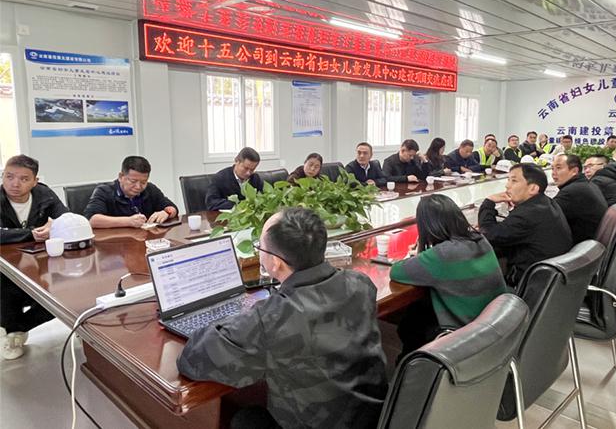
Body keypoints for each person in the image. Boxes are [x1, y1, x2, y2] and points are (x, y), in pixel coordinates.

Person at [177, 207, 388, 428]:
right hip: (373, 416)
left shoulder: (272, 318)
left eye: (260, 247)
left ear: (276, 263)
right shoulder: (360, 284)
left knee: (246, 419)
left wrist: (229, 321)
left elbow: (192, 359)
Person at [390, 195, 506, 357]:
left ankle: (410, 365)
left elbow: (396, 271)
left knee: (410, 323)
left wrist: (419, 253)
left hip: (464, 336)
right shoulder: (480, 240)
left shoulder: (443, 255)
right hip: (492, 327)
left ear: (427, 226)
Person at [1, 155, 68, 360]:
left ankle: (16, 330)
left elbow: (66, 217)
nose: (15, 183)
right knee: (6, 290)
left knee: (61, 296)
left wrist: (53, 226)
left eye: (23, 179)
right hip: (4, 264)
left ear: (35, 181)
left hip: (39, 262)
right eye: (9, 176)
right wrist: (31, 233)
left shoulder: (44, 194)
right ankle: (11, 330)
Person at [478, 163, 572, 286]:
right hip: (553, 282)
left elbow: (488, 236)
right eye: (508, 180)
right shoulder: (547, 203)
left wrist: (488, 203)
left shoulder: (527, 214)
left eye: (514, 181)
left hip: (529, 284)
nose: (507, 185)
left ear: (533, 188)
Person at [84, 156, 178, 228]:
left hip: (146, 240)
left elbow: (172, 207)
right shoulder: (104, 191)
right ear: (121, 177)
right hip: (116, 243)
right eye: (133, 181)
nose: (138, 187)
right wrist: (128, 221)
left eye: (143, 182)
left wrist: (166, 212)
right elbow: (91, 220)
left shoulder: (150, 189)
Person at [551, 154, 608, 244]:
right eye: (552, 168)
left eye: (558, 168)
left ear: (574, 171)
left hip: (581, 245)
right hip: (591, 242)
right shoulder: (585, 184)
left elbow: (545, 216)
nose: (553, 173)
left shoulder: (572, 192)